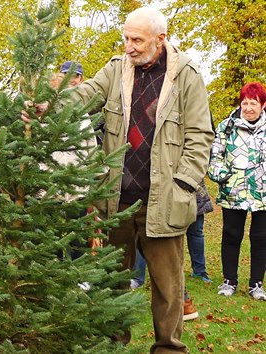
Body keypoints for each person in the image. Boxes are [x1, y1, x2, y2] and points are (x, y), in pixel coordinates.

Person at [69, 7, 214, 353]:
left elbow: (200, 136)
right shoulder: (117, 70)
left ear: (160, 40)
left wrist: (182, 185)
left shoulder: (187, 77)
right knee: (113, 280)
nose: (129, 46)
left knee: (167, 287)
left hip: (163, 201)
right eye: (126, 38)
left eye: (137, 40)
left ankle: (168, 348)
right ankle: (113, 345)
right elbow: (84, 94)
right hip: (116, 200)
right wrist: (48, 101)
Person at [208, 81, 266, 301]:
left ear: (263, 105)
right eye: (245, 103)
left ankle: (256, 284)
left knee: (261, 238)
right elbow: (215, 155)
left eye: (253, 103)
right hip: (234, 191)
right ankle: (229, 281)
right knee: (232, 235)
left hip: (263, 192)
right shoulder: (226, 127)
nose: (249, 108)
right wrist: (223, 175)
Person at [131, 179, 215, 288]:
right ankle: (138, 277)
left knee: (195, 232)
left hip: (190, 190)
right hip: (159, 193)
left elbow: (197, 165)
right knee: (145, 232)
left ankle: (200, 272)